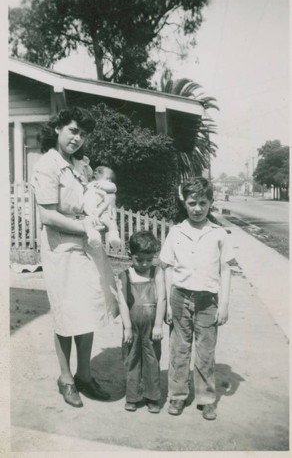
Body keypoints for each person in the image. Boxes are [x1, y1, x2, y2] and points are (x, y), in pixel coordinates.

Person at [30, 107, 119, 408]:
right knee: (66, 313)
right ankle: (66, 378)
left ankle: (84, 374)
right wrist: (84, 226)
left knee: (89, 309)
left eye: (82, 133)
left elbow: (92, 200)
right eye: (72, 130)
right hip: (61, 247)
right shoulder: (47, 165)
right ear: (57, 129)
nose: (77, 137)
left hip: (86, 244)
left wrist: (101, 219)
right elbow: (48, 215)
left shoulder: (81, 165)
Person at [159, 177, 234, 420]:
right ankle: (178, 395)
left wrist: (223, 304)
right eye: (192, 203)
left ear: (211, 202)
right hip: (180, 296)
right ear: (185, 203)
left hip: (208, 300)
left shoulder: (219, 234)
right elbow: (168, 267)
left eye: (203, 202)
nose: (198, 208)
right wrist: (169, 304)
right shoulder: (176, 232)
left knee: (205, 351)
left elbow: (226, 269)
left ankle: (206, 398)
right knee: (179, 349)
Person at [117, 231, 166, 413]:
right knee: (131, 360)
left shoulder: (157, 272)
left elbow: (161, 299)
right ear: (131, 254)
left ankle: (152, 396)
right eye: (139, 260)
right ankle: (133, 396)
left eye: (149, 259)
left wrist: (158, 325)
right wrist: (127, 327)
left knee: (152, 361)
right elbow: (122, 302)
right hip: (133, 328)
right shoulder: (125, 275)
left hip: (152, 328)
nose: (144, 264)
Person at [83, 165, 121, 252]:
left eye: (100, 172)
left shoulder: (106, 184)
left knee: (111, 221)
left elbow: (114, 188)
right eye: (95, 171)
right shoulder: (90, 184)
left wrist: (103, 186)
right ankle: (93, 237)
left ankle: (114, 237)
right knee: (87, 222)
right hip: (90, 213)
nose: (95, 172)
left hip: (103, 212)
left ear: (108, 179)